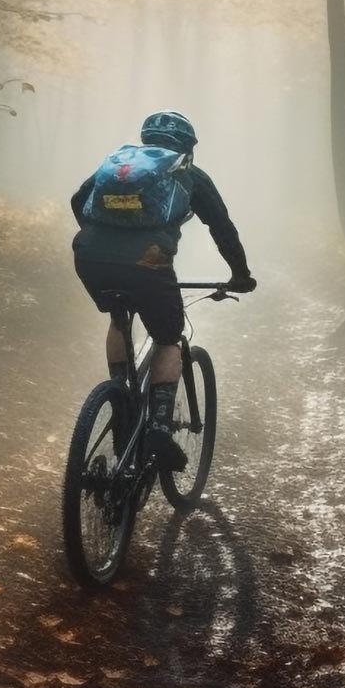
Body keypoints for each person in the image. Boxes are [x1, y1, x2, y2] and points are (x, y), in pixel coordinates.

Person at [71, 111, 256, 468]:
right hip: (149, 264)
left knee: (118, 317)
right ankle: (158, 427)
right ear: (188, 146)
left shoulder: (119, 168)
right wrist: (240, 275)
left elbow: (79, 201)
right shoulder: (190, 174)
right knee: (168, 338)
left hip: (90, 255)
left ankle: (119, 392)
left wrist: (104, 238)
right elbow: (223, 229)